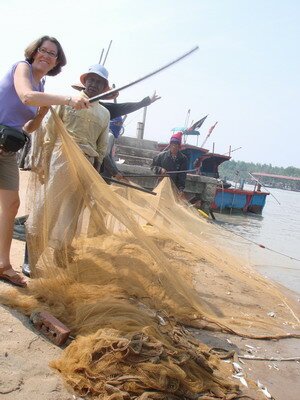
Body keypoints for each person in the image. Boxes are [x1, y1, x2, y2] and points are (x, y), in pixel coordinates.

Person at [0, 35, 89, 287]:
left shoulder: (42, 86)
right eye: (43, 50)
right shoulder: (22, 68)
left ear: (56, 62)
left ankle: (3, 265)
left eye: (52, 54)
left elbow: (27, 127)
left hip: (8, 149)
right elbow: (26, 97)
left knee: (11, 205)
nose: (46, 56)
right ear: (34, 51)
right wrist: (67, 99)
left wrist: (41, 114)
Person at [25, 64, 110, 271]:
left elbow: (101, 146)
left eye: (98, 82)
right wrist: (44, 163)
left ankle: (60, 254)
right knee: (46, 208)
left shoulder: (104, 113)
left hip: (85, 164)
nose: (93, 84)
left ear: (104, 88)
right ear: (84, 81)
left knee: (71, 212)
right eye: (90, 79)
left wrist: (94, 171)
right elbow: (50, 133)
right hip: (60, 159)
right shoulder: (67, 101)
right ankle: (30, 259)